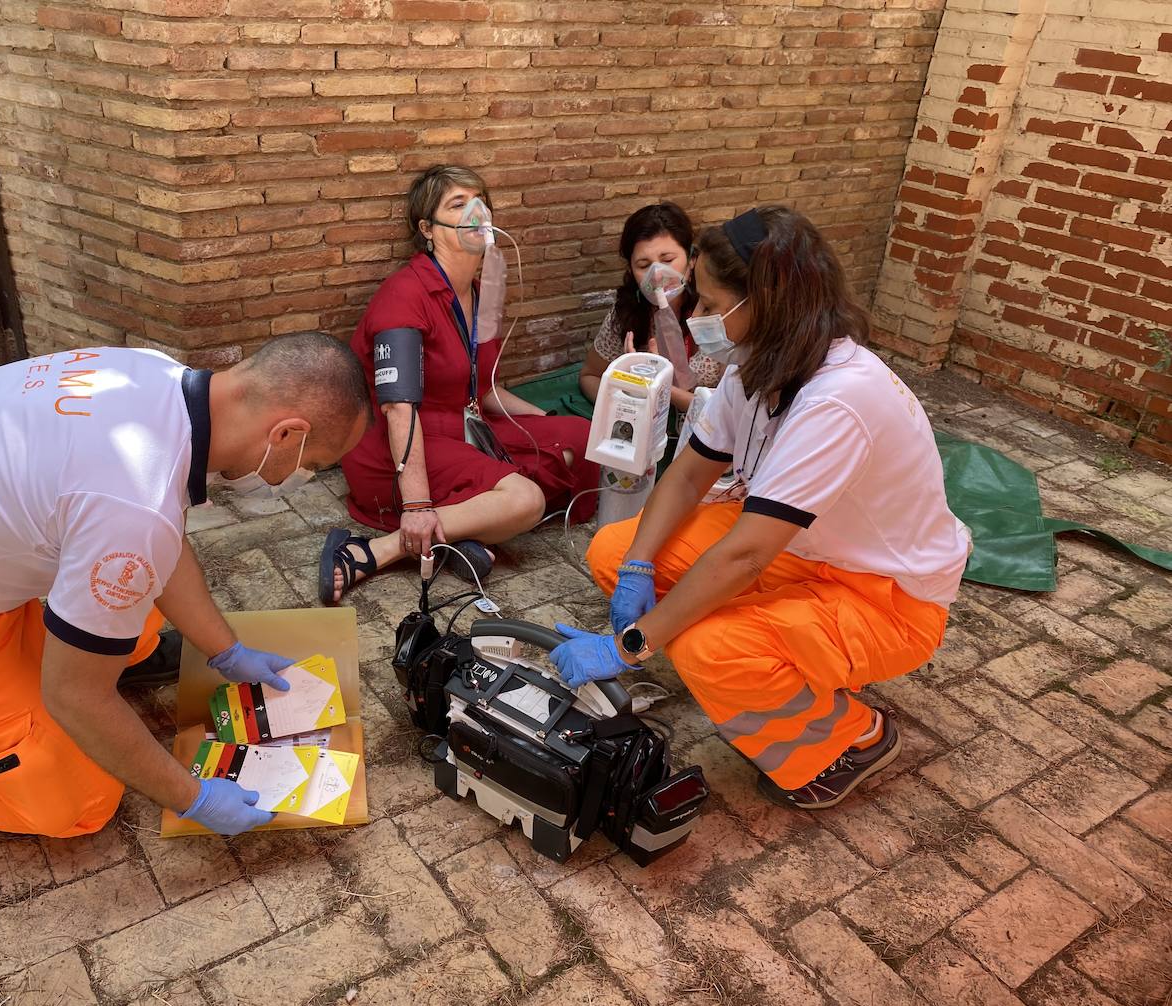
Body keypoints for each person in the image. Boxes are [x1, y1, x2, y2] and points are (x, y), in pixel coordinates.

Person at [0, 333, 371, 837]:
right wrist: (191, 797)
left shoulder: (151, 372)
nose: (300, 480)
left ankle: (98, 656)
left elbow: (159, 541)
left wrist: (226, 650)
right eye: (313, 464)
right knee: (75, 801)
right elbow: (72, 695)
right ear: (287, 431)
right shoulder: (133, 504)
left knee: (127, 590)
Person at [549, 207, 971, 810]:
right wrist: (641, 565)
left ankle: (857, 738)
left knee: (711, 649)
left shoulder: (838, 399)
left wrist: (626, 648)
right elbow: (689, 473)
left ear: (766, 301)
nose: (696, 319)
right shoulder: (755, 369)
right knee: (616, 550)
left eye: (711, 304)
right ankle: (761, 658)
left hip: (887, 596)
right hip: (804, 549)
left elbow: (745, 555)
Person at [322, 164, 600, 604]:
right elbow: (399, 409)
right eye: (457, 204)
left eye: (480, 201)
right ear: (427, 229)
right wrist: (415, 506)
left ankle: (456, 533)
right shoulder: (404, 297)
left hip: (461, 426)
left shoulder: (479, 289)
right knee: (526, 500)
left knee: (582, 439)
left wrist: (546, 422)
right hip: (396, 446)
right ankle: (379, 549)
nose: (476, 212)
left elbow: (484, 388)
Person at [578, 201, 723, 415]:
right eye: (644, 265)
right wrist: (627, 395)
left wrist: (657, 388)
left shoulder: (718, 313)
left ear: (692, 260)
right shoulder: (627, 315)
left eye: (667, 260)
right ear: (631, 270)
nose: (657, 275)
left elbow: (727, 414)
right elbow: (589, 377)